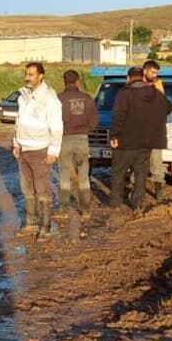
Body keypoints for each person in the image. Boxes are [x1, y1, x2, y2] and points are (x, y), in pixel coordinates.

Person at [12, 61, 63, 238]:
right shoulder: (23, 96)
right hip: (23, 150)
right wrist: (16, 143)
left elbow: (57, 127)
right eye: (26, 74)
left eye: (31, 74)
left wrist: (53, 152)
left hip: (41, 150)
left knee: (43, 191)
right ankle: (31, 224)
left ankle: (45, 228)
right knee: (27, 190)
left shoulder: (50, 98)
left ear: (41, 76)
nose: (27, 77)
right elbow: (19, 122)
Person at [109, 66, 171, 213]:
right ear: (142, 77)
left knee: (119, 172)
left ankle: (115, 202)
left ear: (128, 78)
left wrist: (114, 136)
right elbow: (168, 108)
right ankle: (137, 204)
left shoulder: (124, 94)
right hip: (147, 143)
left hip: (125, 142)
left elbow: (118, 116)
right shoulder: (156, 93)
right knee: (141, 174)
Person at [58, 69, 98, 236]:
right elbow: (94, 120)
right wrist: (87, 130)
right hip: (82, 139)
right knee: (83, 175)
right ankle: (86, 209)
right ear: (78, 81)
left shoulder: (58, 99)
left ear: (64, 81)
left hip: (63, 138)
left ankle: (65, 208)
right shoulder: (87, 98)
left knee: (64, 174)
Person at [142, 59, 168, 202]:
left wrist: (158, 89)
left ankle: (159, 190)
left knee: (157, 163)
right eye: (153, 72)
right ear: (145, 70)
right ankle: (136, 190)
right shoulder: (136, 85)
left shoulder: (158, 85)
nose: (154, 75)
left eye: (156, 73)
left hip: (155, 132)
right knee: (138, 164)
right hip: (139, 133)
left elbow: (164, 105)